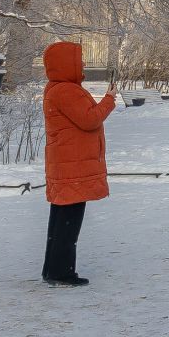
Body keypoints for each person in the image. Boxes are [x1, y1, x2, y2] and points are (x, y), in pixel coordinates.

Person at [41, 41, 117, 287]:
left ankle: (52, 270)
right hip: (73, 167)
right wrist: (109, 99)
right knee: (68, 222)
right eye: (79, 60)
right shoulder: (65, 91)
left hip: (66, 164)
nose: (83, 64)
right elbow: (90, 119)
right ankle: (62, 273)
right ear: (66, 64)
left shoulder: (57, 88)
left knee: (60, 219)